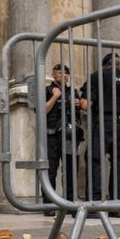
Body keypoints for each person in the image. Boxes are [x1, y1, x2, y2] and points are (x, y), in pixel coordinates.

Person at [81, 53, 120, 203]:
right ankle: (119, 204)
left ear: (104, 65)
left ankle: (94, 203)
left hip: (105, 123)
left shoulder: (98, 76)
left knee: (94, 159)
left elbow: (84, 104)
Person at [44, 63, 81, 203]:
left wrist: (79, 104)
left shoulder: (73, 91)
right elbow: (42, 111)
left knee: (71, 170)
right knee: (50, 170)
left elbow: (81, 111)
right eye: (59, 72)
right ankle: (48, 204)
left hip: (70, 136)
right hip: (52, 135)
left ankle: (70, 203)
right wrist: (54, 97)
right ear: (53, 74)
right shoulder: (47, 90)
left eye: (66, 73)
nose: (63, 75)